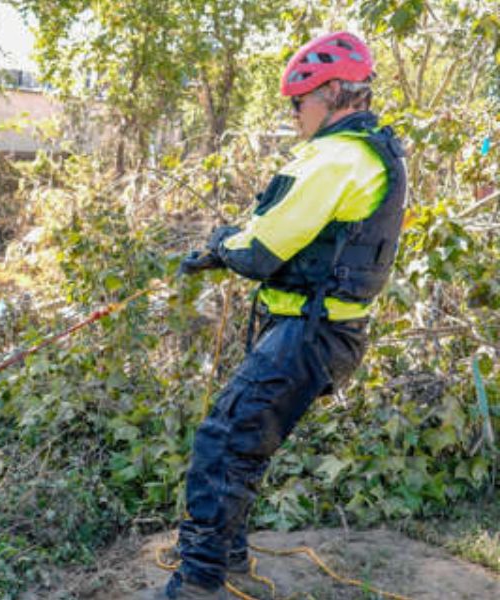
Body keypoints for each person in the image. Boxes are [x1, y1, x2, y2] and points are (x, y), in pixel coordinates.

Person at [152, 32, 408, 599]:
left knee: (221, 442)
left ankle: (197, 583)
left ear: (335, 93)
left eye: (300, 101)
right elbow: (292, 235)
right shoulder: (368, 151)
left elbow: (261, 251)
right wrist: (225, 249)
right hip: (324, 331)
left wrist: (221, 246)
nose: (295, 114)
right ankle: (230, 558)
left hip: (307, 335)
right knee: (244, 442)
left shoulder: (335, 157)